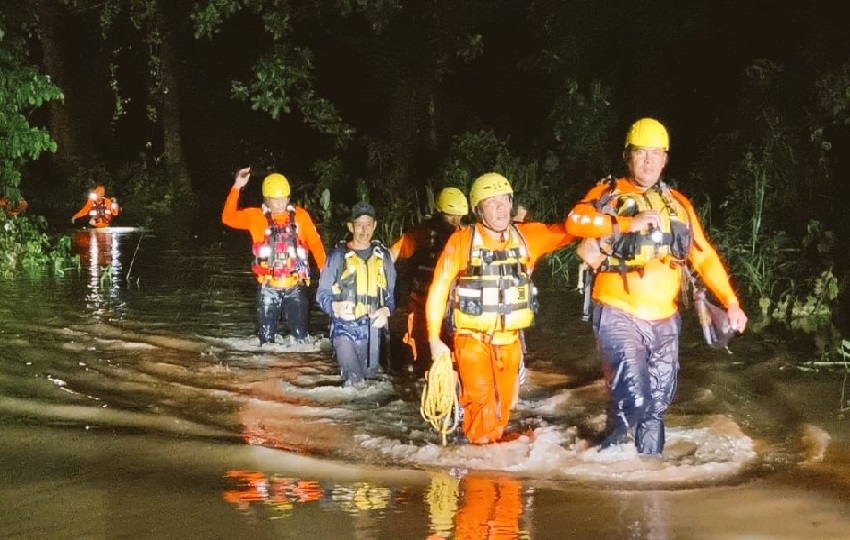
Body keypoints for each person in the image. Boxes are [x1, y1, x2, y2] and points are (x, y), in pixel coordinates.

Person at [565, 117, 748, 455]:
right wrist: (627, 222)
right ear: (628, 156)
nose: (648, 161)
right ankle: (607, 464)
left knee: (656, 407)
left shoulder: (678, 204)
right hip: (618, 313)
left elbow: (704, 256)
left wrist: (731, 302)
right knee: (634, 399)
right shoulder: (609, 194)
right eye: (641, 153)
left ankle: (649, 479)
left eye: (656, 154)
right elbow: (575, 221)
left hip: (665, 320)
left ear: (665, 159)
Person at [425, 172, 573, 444]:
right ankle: (480, 470)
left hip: (510, 342)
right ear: (478, 209)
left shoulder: (528, 237)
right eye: (492, 202)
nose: (501, 207)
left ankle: (489, 453)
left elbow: (571, 229)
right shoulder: (461, 242)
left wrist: (604, 213)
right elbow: (438, 289)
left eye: (504, 200)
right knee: (481, 405)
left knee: (504, 406)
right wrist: (434, 339)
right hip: (471, 339)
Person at [222, 167, 327, 344]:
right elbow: (228, 218)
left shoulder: (301, 216)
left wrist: (325, 269)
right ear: (266, 199)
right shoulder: (255, 216)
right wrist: (236, 187)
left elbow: (315, 243)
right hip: (268, 288)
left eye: (283, 198)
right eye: (274, 199)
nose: (280, 203)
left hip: (296, 286)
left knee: (301, 339)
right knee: (265, 341)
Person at [316, 201, 397, 387]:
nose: (364, 230)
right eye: (359, 225)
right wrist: (335, 307)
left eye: (368, 225)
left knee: (368, 383)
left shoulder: (383, 257)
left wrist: (385, 311)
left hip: (372, 330)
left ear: (375, 226)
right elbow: (322, 294)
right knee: (355, 382)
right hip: (343, 328)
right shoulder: (337, 256)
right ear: (350, 226)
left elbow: (392, 296)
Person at [390, 187, 468, 369]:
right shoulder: (421, 234)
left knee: (453, 353)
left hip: (451, 304)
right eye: (451, 216)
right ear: (441, 213)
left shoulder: (464, 235)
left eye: (458, 217)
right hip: (422, 301)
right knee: (421, 351)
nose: (455, 221)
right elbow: (393, 253)